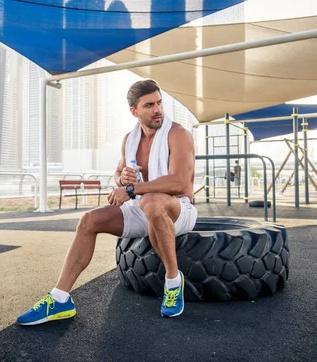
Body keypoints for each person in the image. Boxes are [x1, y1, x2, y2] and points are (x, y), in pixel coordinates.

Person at [17, 79, 198, 325]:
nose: (157, 110)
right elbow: (118, 175)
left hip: (179, 210)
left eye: (159, 102)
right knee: (89, 220)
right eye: (149, 105)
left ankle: (173, 281)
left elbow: (179, 183)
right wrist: (122, 179)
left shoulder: (178, 134)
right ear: (134, 111)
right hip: (142, 208)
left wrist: (132, 189)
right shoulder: (130, 139)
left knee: (153, 202)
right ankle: (59, 299)